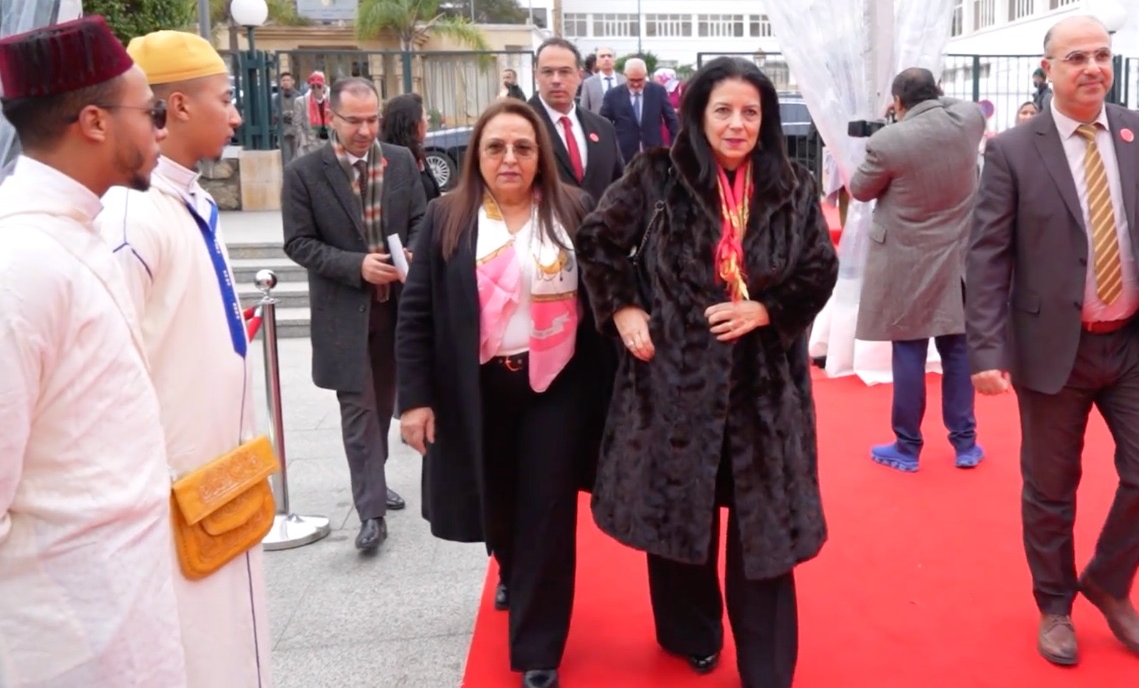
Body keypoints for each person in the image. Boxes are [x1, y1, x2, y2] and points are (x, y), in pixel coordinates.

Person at [577, 56, 839, 688]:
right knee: (679, 516)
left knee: (764, 536)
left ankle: (767, 667)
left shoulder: (793, 185)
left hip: (763, 390)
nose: (736, 124)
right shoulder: (656, 175)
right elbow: (597, 240)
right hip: (675, 384)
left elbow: (819, 269)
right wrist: (623, 308)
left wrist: (767, 310)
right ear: (697, 114)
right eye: (723, 110)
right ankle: (690, 631)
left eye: (750, 112)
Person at [0, 16, 186, 685]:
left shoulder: (72, 228)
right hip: (56, 622)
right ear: (94, 122)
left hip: (116, 595)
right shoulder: (10, 259)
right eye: (151, 112)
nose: (161, 130)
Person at [965, 16, 1139, 668]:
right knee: (1050, 487)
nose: (1092, 67)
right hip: (1051, 346)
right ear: (1048, 70)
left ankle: (1109, 579)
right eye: (1076, 58)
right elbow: (986, 257)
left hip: (1135, 341)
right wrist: (986, 350)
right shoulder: (1012, 150)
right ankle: (1055, 605)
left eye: (1102, 55)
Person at [396, 100, 600, 688]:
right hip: (478, 387)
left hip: (556, 386)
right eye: (496, 147)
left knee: (548, 510)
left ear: (541, 156)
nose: (510, 158)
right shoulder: (448, 216)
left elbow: (604, 293)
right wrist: (414, 399)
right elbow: (417, 313)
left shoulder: (573, 210)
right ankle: (511, 566)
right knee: (499, 501)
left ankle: (539, 648)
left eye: (523, 147)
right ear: (477, 157)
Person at [97, 30, 270, 687]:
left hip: (219, 477)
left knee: (235, 639)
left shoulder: (189, 198)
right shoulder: (130, 217)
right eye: (225, 99)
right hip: (171, 492)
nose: (236, 115)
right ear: (178, 105)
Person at [282, 77, 429, 553]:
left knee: (383, 405)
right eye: (354, 121)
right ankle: (371, 513)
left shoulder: (400, 161)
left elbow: (422, 218)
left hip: (396, 311)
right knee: (359, 409)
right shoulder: (305, 173)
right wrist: (356, 266)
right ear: (332, 118)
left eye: (372, 120)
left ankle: (375, 481)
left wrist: (412, 250)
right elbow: (298, 242)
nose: (365, 131)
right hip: (345, 315)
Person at [851, 67, 986, 472]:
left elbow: (860, 189)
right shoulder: (969, 120)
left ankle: (907, 446)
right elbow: (953, 105)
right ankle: (965, 443)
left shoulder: (888, 141)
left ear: (896, 102)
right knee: (957, 351)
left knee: (909, 350)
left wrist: (899, 120)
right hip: (957, 257)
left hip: (906, 261)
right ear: (938, 91)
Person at [528, 39, 625, 201]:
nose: (556, 80)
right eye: (547, 72)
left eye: (564, 72)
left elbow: (619, 188)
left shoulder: (603, 128)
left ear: (580, 76)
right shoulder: (519, 126)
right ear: (536, 75)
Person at [602, 57, 678, 161]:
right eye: (632, 80)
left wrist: (675, 146)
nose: (636, 84)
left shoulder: (658, 91)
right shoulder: (612, 95)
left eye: (640, 80)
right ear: (625, 75)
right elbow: (604, 123)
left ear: (645, 75)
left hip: (653, 153)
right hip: (624, 154)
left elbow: (672, 121)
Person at [381, 93, 442, 200]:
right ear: (414, 124)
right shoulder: (393, 164)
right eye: (425, 119)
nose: (427, 124)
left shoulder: (418, 154)